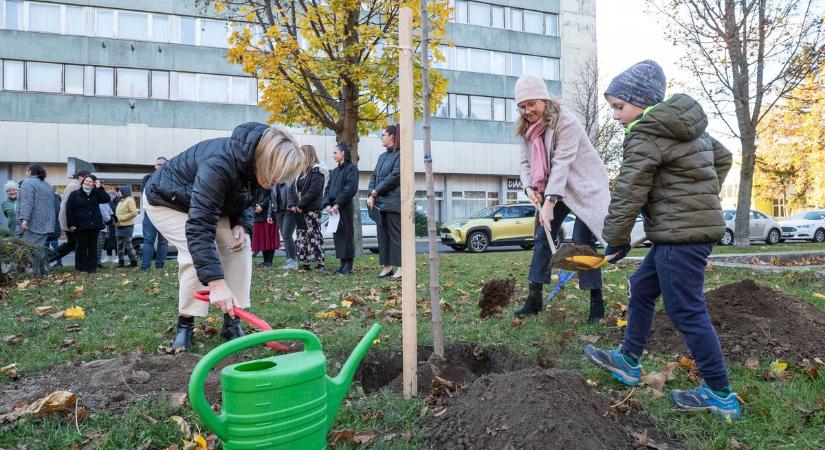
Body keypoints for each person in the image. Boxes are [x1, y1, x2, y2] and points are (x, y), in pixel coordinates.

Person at [583, 60, 740, 419]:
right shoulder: (689, 129)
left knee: (687, 310)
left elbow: (630, 190)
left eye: (619, 107)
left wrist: (615, 238)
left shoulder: (646, 132)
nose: (615, 116)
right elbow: (723, 157)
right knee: (641, 287)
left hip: (678, 236)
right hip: (683, 232)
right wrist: (697, 195)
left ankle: (720, 394)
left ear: (641, 103)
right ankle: (628, 360)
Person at [143, 123, 308, 351]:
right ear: (265, 161)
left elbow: (246, 199)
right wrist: (216, 283)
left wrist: (242, 223)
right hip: (167, 200)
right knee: (195, 252)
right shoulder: (219, 164)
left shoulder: (262, 170)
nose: (277, 182)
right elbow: (199, 226)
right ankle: (186, 324)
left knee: (239, 245)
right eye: (276, 175)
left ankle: (232, 322)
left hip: (210, 204)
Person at [511, 74, 611, 322]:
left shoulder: (566, 122)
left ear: (544, 99)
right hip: (556, 187)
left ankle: (596, 303)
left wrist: (549, 202)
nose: (527, 110)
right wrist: (529, 189)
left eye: (531, 103)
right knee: (543, 236)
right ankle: (534, 299)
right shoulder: (527, 130)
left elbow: (561, 163)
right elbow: (525, 164)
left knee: (581, 241)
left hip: (585, 187)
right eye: (522, 106)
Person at [368, 125, 402, 280]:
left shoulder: (400, 155)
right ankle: (386, 267)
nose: (381, 137)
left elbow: (395, 177)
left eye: (383, 135)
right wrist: (371, 194)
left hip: (393, 203)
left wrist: (376, 192)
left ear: (392, 136)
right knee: (382, 237)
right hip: (380, 203)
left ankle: (401, 268)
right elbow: (374, 176)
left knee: (395, 237)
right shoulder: (382, 156)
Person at [323, 142, 359, 275]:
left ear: (343, 153)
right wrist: (327, 204)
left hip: (344, 207)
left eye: (335, 153)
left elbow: (350, 188)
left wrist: (338, 203)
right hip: (333, 208)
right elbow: (327, 189)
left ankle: (348, 266)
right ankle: (342, 264)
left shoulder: (351, 169)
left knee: (346, 234)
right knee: (338, 235)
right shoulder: (335, 171)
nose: (333, 155)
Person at [290, 145, 326, 272]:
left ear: (308, 154)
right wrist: (293, 205)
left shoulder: (317, 170)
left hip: (312, 209)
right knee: (302, 235)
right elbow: (292, 189)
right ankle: (306, 262)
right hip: (300, 210)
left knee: (313, 234)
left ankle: (319, 262)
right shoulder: (300, 171)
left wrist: (300, 204)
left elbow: (313, 191)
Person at [16, 165, 57, 276]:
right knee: (38, 250)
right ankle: (42, 273)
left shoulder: (28, 182)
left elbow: (27, 202)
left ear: (29, 172)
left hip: (32, 223)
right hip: (46, 223)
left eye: (26, 171)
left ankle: (33, 274)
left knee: (29, 250)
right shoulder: (46, 184)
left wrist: (24, 219)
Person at [65, 175, 109, 273]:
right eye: (86, 181)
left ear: (93, 183)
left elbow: (106, 199)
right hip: (80, 225)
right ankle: (81, 267)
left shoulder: (96, 193)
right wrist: (70, 223)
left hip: (94, 225)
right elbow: (69, 209)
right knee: (81, 246)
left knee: (93, 247)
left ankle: (92, 268)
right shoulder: (75, 194)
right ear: (83, 182)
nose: (87, 183)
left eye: (90, 181)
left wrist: (100, 187)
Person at [51, 169, 91, 263]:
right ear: (81, 177)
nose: (88, 182)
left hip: (71, 220)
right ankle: (82, 265)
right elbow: (70, 206)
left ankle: (46, 259)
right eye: (87, 179)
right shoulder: (74, 187)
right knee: (79, 243)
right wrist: (71, 223)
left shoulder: (75, 185)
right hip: (72, 221)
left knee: (72, 244)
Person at [140, 157, 168, 271]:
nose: (161, 166)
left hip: (165, 215)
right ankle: (145, 267)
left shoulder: (170, 178)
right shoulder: (147, 178)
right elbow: (145, 192)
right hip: (150, 214)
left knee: (163, 241)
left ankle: (160, 266)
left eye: (163, 165)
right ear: (155, 165)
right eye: (159, 164)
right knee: (148, 241)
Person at [250, 186, 280, 267]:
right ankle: (265, 261)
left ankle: (269, 262)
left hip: (269, 215)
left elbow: (271, 197)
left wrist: (262, 206)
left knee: (269, 238)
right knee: (263, 239)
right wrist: (256, 206)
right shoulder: (255, 184)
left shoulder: (269, 183)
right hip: (258, 215)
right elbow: (252, 198)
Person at [271, 182, 298, 270]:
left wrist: (292, 205)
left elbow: (293, 195)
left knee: (287, 235)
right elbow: (272, 200)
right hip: (279, 212)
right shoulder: (274, 185)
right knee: (284, 235)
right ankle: (289, 260)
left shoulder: (289, 182)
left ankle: (293, 261)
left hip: (289, 210)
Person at [115, 185, 139, 268]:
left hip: (127, 227)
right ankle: (121, 262)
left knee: (128, 246)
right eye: (117, 191)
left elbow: (134, 213)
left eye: (119, 191)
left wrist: (121, 218)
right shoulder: (120, 202)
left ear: (124, 191)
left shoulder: (130, 200)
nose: (118, 193)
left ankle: (133, 262)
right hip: (118, 227)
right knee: (119, 246)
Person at [96, 194, 114, 268]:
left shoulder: (105, 203)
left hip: (104, 227)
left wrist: (112, 217)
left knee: (100, 245)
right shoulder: (100, 203)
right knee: (98, 245)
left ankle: (98, 261)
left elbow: (110, 212)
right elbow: (105, 215)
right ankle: (96, 262)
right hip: (100, 227)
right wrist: (110, 220)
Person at [46, 189, 63, 267]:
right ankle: (57, 263)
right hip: (54, 226)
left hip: (50, 226)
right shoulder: (57, 198)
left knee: (48, 246)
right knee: (53, 245)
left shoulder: (52, 199)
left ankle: (49, 263)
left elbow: (53, 213)